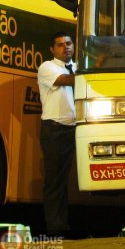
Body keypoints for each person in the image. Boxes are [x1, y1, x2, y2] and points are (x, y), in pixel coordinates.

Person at [37, 31, 76, 236]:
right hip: (55, 130)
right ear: (52, 49)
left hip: (75, 128)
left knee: (67, 182)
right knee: (55, 182)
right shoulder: (47, 67)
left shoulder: (77, 68)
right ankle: (56, 229)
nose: (66, 47)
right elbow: (66, 81)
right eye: (60, 45)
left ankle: (64, 225)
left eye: (69, 43)